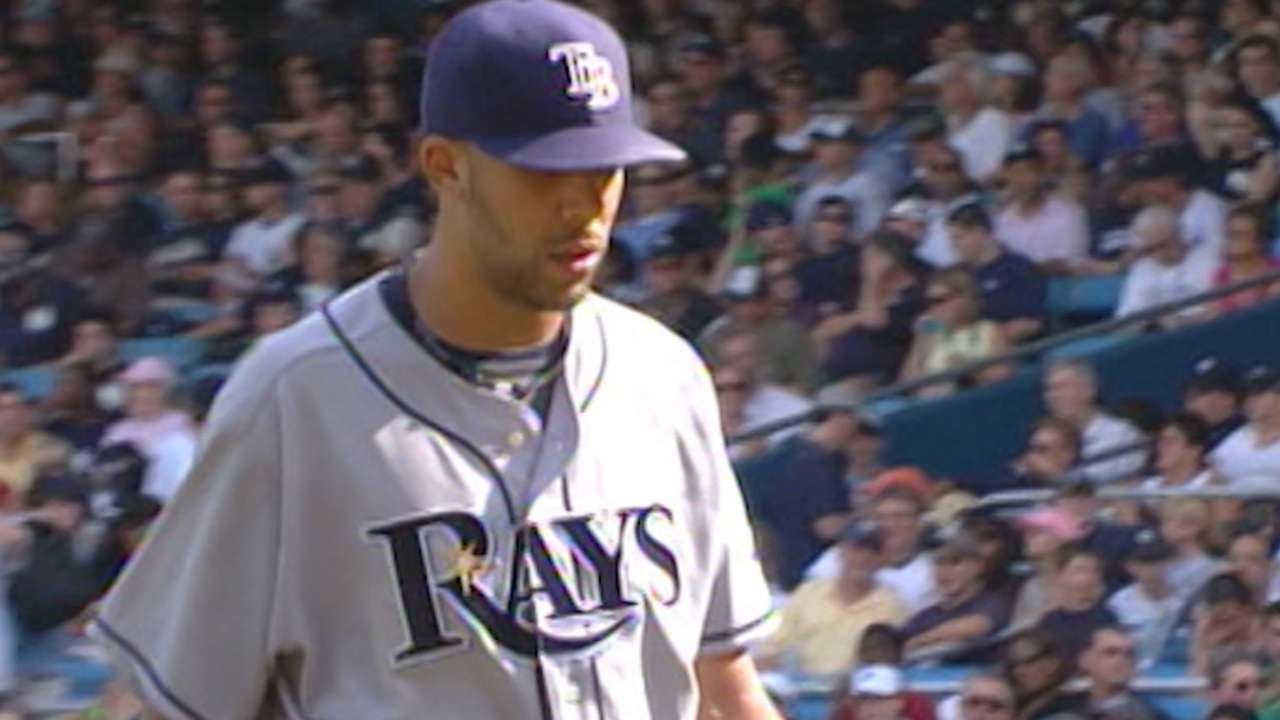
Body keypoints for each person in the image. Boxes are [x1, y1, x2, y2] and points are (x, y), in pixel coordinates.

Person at [91, 3, 782, 718]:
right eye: (545, 172)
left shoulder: (662, 376)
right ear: (444, 166)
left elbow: (723, 687)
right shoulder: (293, 399)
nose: (584, 208)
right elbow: (162, 703)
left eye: (604, 170)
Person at [757, 524, 905, 676]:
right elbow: (775, 647)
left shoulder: (891, 605)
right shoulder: (809, 593)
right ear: (840, 553)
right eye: (855, 550)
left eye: (872, 552)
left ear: (882, 559)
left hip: (856, 692)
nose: (863, 558)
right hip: (803, 689)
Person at [898, 268, 1011, 397]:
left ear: (964, 298)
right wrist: (920, 339)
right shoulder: (929, 334)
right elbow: (907, 384)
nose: (934, 308)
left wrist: (968, 368)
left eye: (941, 300)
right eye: (930, 302)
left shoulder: (989, 329)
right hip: (935, 404)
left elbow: (1004, 374)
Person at [945, 203, 1046, 345]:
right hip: (959, 350)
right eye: (951, 239)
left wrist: (980, 344)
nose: (953, 245)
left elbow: (1030, 324)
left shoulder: (1017, 268)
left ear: (980, 233)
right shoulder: (955, 274)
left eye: (958, 237)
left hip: (1007, 352)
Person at [900, 533, 1010, 661]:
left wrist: (919, 641)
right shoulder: (925, 616)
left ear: (978, 566)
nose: (945, 572)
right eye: (939, 563)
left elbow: (975, 626)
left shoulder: (991, 604)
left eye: (955, 562)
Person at [1042, 360, 1146, 485]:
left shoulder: (1120, 433)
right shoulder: (1047, 439)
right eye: (1049, 390)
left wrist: (1052, 473)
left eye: (1062, 387)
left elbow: (1095, 484)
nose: (1053, 396)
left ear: (1089, 390)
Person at [1114, 205, 1217, 325]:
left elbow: (1220, 312)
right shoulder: (1142, 268)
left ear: (1178, 235)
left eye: (1161, 245)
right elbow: (1125, 321)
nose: (1156, 254)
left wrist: (1181, 321)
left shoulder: (1209, 259)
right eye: (1148, 249)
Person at [1108, 530, 1183, 669]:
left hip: (1174, 672)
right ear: (1130, 566)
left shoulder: (1184, 599)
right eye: (1144, 562)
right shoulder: (1118, 603)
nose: (1153, 569)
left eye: (1158, 561)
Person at [1036, 546, 1119, 665]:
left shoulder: (1107, 618)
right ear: (1061, 574)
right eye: (1080, 570)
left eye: (1094, 571)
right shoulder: (1049, 621)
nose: (1088, 577)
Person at [1071, 625, 1163, 720]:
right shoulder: (1066, 711)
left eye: (1129, 654)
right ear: (1086, 660)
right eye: (1110, 652)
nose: (1120, 660)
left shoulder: (1150, 716)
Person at [1211, 365, 1280, 486]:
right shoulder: (1235, 440)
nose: (1250, 401)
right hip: (1237, 502)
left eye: (1259, 394)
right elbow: (1214, 482)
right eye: (1245, 396)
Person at [1001, 628, 1085, 720]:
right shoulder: (1004, 705)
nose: (1018, 671)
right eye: (1013, 664)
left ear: (1052, 664)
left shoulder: (1070, 707)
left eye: (1028, 662)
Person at [1142, 412, 1220, 490]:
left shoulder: (1213, 489)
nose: (1160, 446)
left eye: (1170, 442)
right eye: (1160, 441)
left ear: (1194, 450)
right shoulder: (1148, 486)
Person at [1185, 357, 1247, 451]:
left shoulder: (1252, 434)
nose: (1191, 401)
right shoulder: (1190, 442)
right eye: (1189, 395)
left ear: (1230, 396)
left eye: (1201, 393)